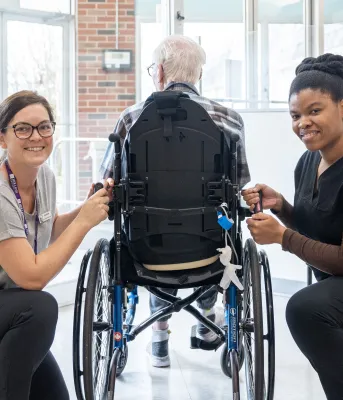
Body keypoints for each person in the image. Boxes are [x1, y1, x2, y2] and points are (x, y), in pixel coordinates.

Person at [100, 35, 251, 368]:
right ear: (197, 74)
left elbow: (106, 184)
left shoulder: (130, 119)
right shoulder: (229, 119)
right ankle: (209, 317)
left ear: (161, 72)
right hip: (210, 254)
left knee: (148, 223)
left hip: (146, 253)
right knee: (217, 227)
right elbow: (238, 186)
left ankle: (159, 332)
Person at [242, 53, 343, 400]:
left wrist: (282, 237)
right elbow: (318, 230)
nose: (303, 123)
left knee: (306, 308)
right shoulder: (307, 162)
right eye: (295, 115)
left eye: (315, 111)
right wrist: (282, 207)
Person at [0, 90, 110, 400]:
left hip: (11, 306)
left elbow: (48, 230)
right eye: (22, 128)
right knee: (41, 307)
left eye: (44, 126)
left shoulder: (44, 177)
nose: (36, 136)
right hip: (16, 304)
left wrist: (88, 207)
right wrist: (85, 223)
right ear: (3, 139)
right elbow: (31, 278)